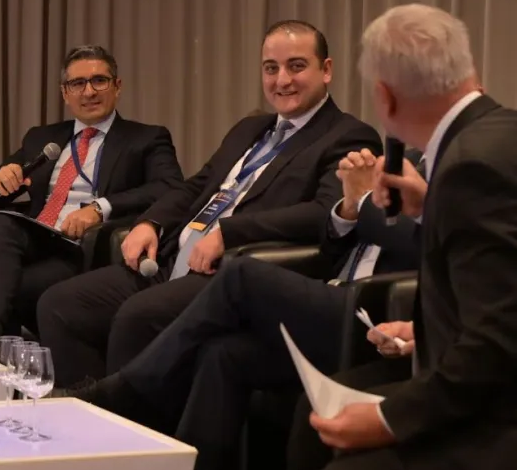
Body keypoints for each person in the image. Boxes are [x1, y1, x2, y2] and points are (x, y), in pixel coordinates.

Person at [37, 19, 382, 388]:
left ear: (325, 70)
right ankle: (86, 413)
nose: (282, 80)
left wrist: (228, 233)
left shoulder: (348, 135)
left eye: (296, 66)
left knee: (138, 316)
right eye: (271, 68)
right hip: (172, 259)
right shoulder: (250, 129)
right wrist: (150, 222)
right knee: (60, 304)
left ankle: (127, 419)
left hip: (229, 273)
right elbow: (197, 186)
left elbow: (321, 214)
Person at [58, 143, 423, 470]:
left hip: (378, 315)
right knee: (224, 353)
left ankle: (128, 389)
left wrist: (364, 198)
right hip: (335, 290)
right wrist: (348, 208)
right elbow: (331, 242)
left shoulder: (448, 171)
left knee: (241, 275)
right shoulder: (403, 158)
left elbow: (422, 239)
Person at [302, 4, 517, 470]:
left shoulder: (470, 169)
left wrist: (389, 420)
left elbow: (497, 344)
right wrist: (426, 210)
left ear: (385, 96)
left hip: (500, 422)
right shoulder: (500, 134)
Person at [0, 45, 183, 360]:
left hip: (85, 248)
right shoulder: (41, 138)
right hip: (37, 237)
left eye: (99, 81)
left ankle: (1, 358)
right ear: (65, 93)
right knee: (0, 223)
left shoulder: (146, 138)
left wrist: (100, 208)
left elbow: (170, 187)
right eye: (78, 84)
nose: (89, 92)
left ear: (117, 86)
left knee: (5, 285)